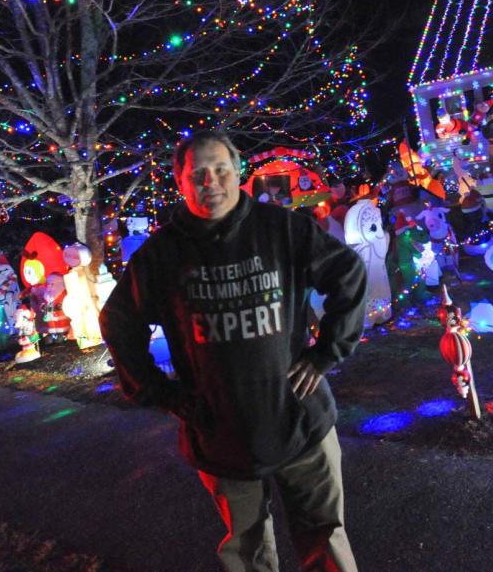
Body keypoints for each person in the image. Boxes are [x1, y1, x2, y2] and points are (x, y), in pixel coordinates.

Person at [100, 131, 366, 572]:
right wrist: (159, 392)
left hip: (301, 420)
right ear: (180, 182)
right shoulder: (162, 254)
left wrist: (326, 353)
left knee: (326, 539)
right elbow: (118, 320)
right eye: (198, 174)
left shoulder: (282, 228)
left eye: (221, 169)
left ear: (238, 171)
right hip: (219, 431)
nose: (212, 182)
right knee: (246, 553)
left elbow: (348, 273)